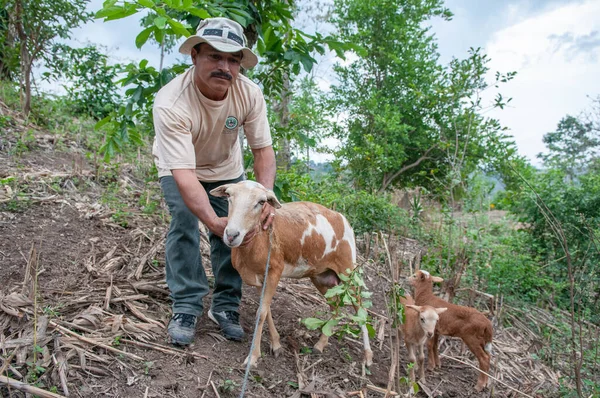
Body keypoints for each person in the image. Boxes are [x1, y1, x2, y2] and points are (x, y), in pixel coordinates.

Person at [152, 17, 277, 345]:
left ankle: (225, 305)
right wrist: (210, 219)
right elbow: (184, 174)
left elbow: (263, 150)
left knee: (233, 231)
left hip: (226, 166)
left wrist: (264, 198)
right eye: (214, 56)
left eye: (233, 59)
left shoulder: (249, 94)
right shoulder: (171, 102)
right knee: (184, 223)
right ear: (194, 55)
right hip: (179, 167)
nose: (224, 66)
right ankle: (187, 303)